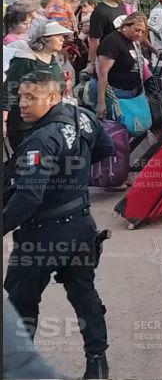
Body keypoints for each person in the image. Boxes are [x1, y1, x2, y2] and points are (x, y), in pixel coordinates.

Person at [4, 70, 114, 378]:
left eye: (31, 98)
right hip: (80, 226)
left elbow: (27, 198)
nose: (23, 104)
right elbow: (105, 150)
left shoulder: (39, 140)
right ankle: (98, 363)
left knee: (21, 304)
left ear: (53, 98)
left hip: (42, 235)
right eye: (21, 97)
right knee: (84, 296)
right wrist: (70, 178)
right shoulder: (85, 117)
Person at [3, 22, 70, 153]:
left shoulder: (53, 59)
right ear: (45, 39)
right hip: (24, 124)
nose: (62, 39)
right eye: (58, 36)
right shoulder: (24, 60)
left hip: (49, 121)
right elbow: (9, 90)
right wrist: (4, 120)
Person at [93, 13, 149, 121]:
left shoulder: (132, 41)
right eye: (136, 30)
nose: (139, 34)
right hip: (117, 92)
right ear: (125, 27)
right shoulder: (112, 42)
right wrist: (101, 102)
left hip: (132, 91)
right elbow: (102, 73)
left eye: (142, 32)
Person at [87, 0, 132, 72]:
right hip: (110, 61)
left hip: (125, 58)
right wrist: (95, 64)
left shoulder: (123, 6)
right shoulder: (100, 12)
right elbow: (95, 41)